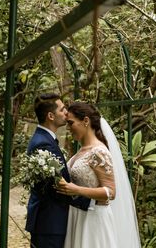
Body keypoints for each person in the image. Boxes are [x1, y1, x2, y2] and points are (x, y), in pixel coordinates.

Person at [57, 102, 140, 247]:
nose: (68, 128)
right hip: (77, 216)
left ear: (86, 121)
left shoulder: (99, 152)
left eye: (71, 123)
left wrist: (76, 190)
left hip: (93, 219)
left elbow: (110, 192)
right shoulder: (81, 151)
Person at [25, 93, 91, 248]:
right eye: (62, 110)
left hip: (49, 221)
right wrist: (91, 202)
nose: (66, 113)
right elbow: (57, 188)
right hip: (49, 223)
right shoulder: (43, 143)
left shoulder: (45, 139)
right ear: (50, 116)